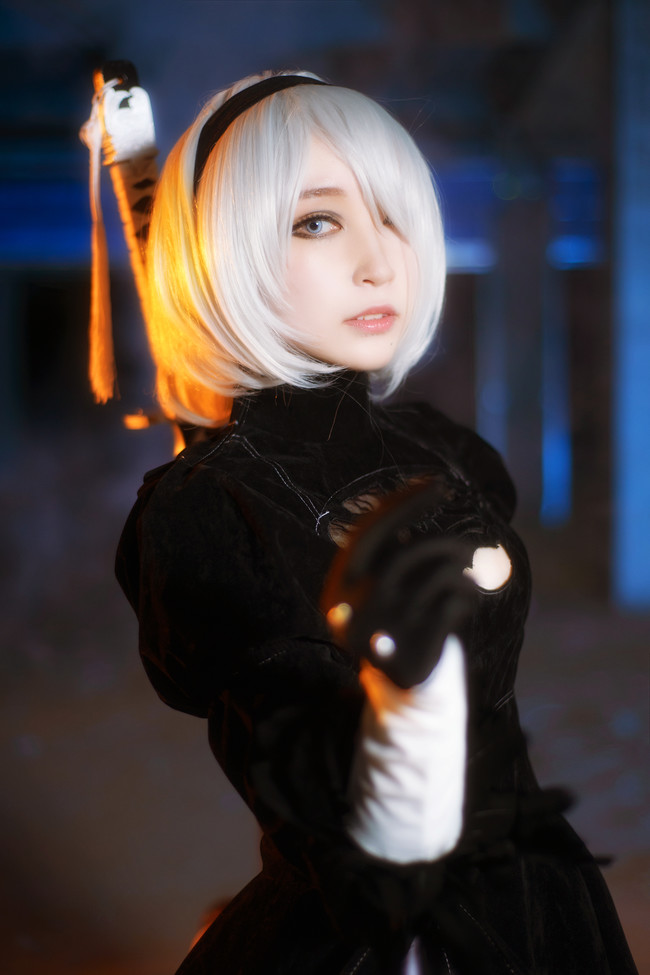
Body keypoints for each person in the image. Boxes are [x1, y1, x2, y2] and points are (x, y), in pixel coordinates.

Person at [115, 70, 638, 974]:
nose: (379, 260)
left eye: (392, 215)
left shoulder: (447, 450)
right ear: (224, 250)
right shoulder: (211, 513)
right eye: (317, 221)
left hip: (546, 907)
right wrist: (410, 705)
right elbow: (361, 855)